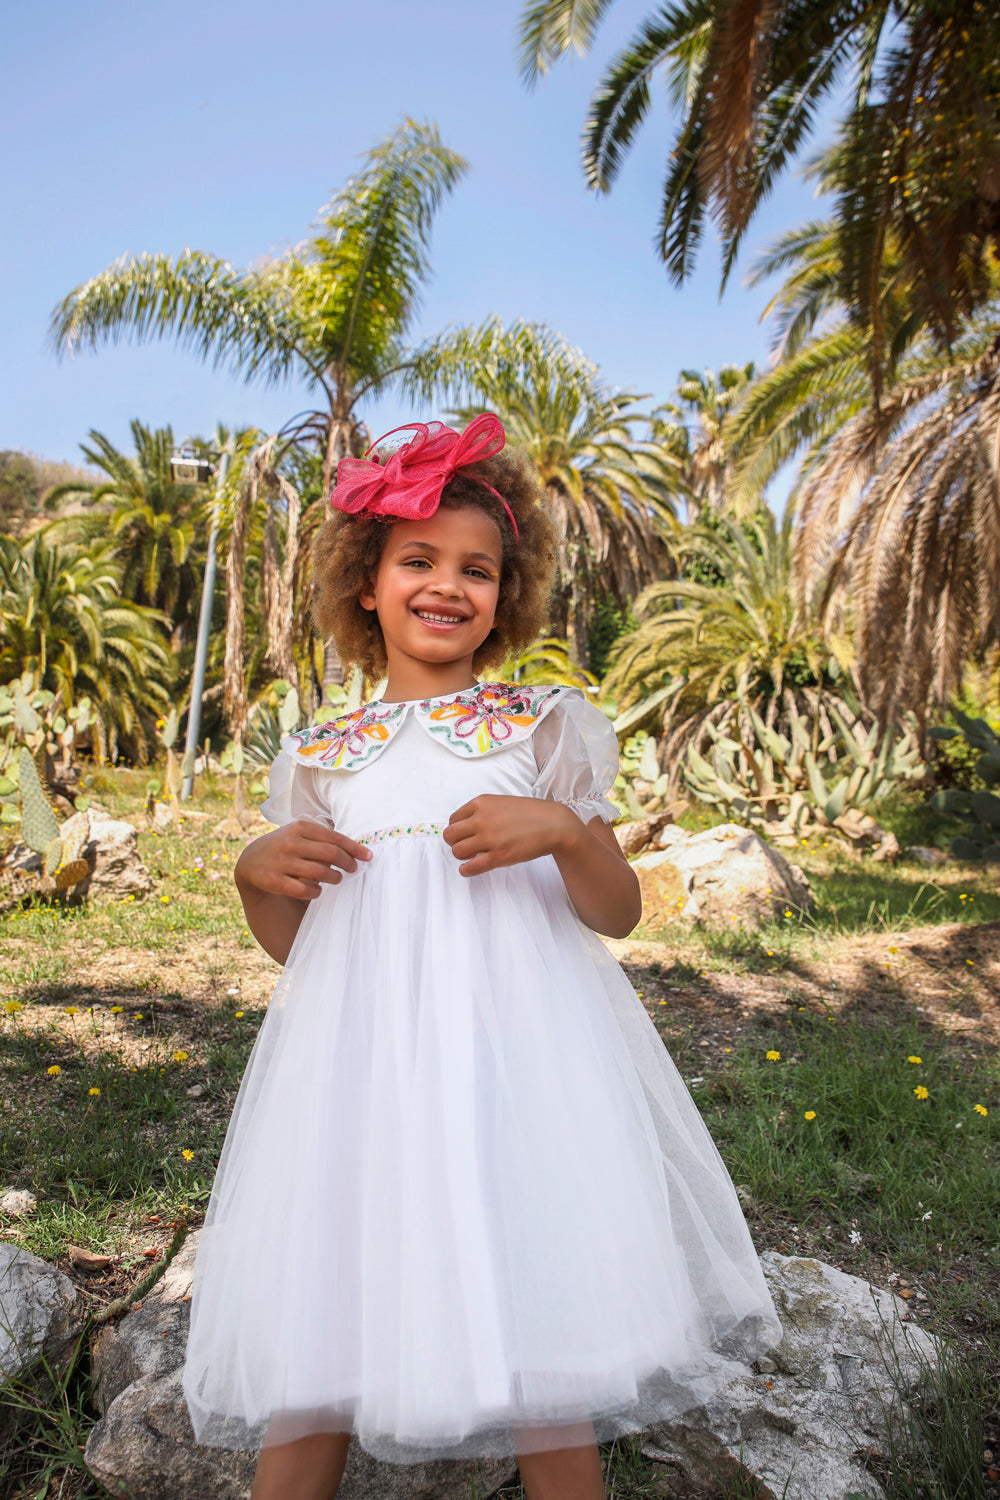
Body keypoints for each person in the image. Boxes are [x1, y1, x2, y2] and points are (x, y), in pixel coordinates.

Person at [181, 414, 781, 1500]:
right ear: (367, 581)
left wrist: (558, 830)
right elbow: (301, 951)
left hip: (517, 1066)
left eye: (479, 569)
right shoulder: (322, 755)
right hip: (361, 1074)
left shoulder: (542, 728)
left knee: (544, 1339)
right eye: (419, 560)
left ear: (509, 593)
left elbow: (618, 913)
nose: (447, 585)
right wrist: (254, 874)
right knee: (320, 1338)